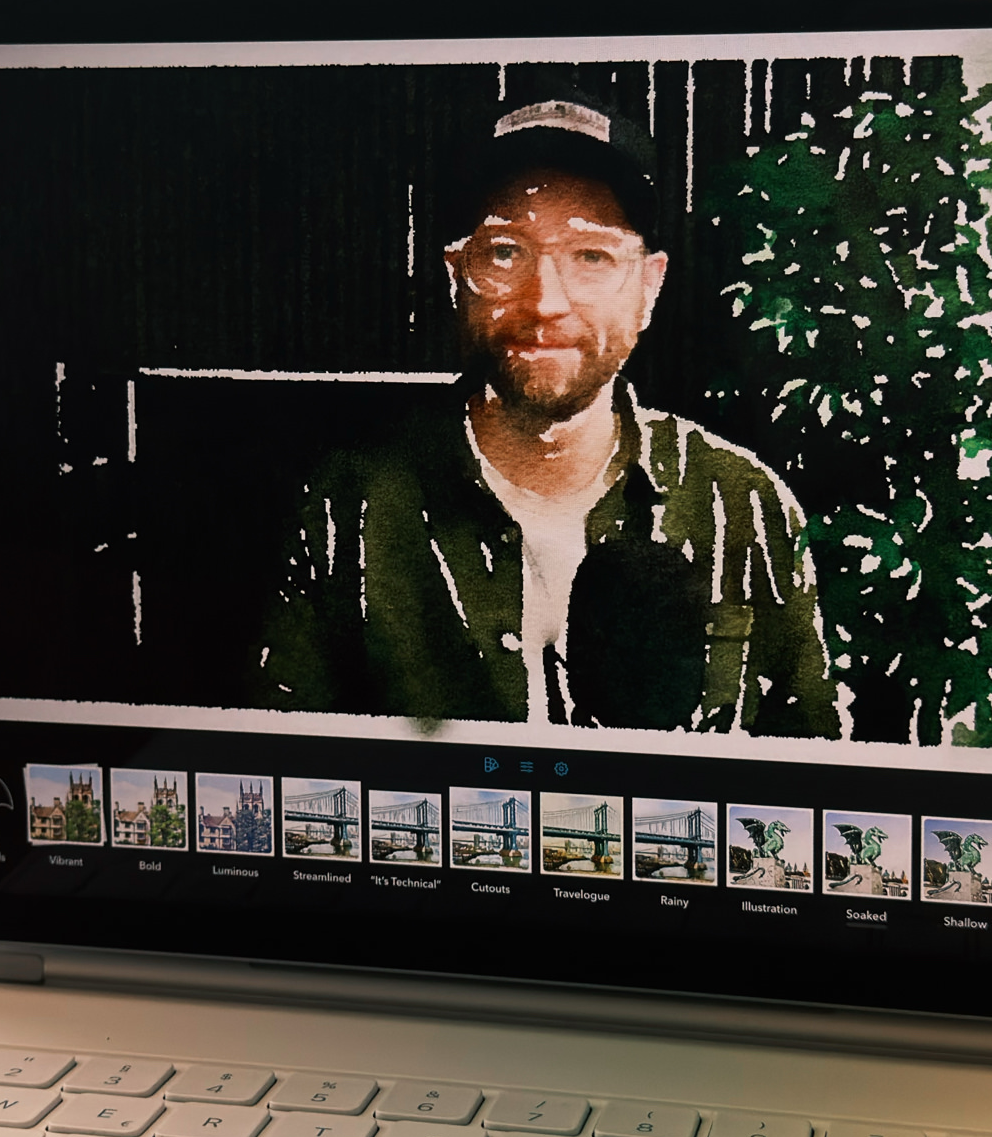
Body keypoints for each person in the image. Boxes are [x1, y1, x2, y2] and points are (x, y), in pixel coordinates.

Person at [252, 92, 839, 735]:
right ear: (456, 275)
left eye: (591, 256)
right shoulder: (348, 508)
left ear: (649, 286)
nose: (546, 302)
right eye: (506, 252)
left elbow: (812, 767)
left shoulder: (745, 507)